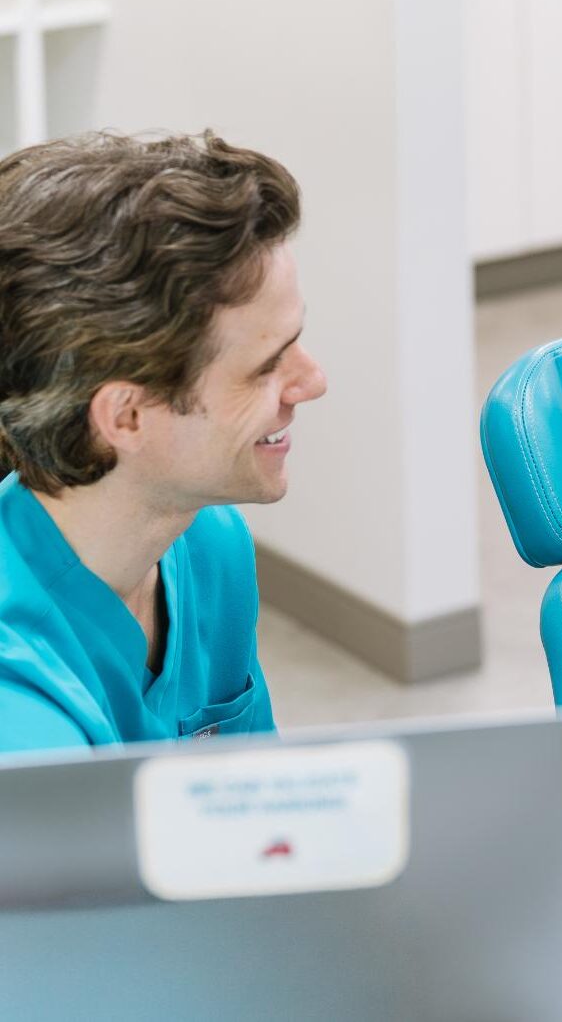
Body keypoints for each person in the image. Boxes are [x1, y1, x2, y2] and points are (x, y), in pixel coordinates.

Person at [0, 131, 326, 753]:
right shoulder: (17, 706)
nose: (313, 382)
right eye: (265, 367)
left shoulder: (208, 542)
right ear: (125, 417)